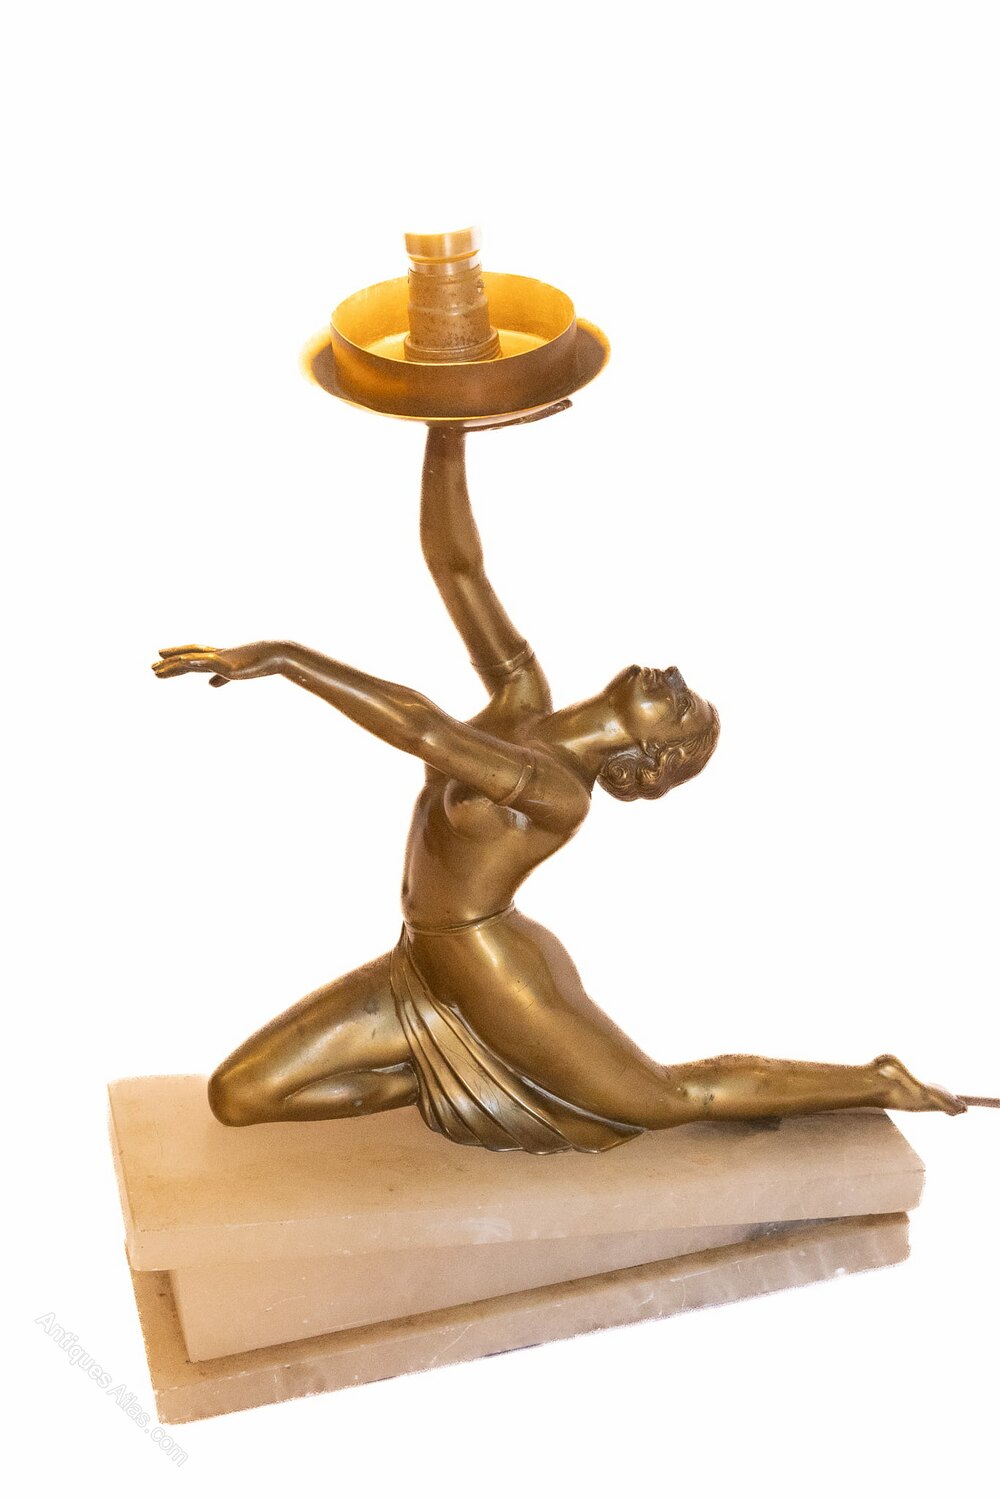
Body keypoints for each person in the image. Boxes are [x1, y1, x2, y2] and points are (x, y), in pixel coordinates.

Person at [154, 427, 966, 1152]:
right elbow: (456, 568)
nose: (677, 682)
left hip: (492, 970)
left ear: (644, 760)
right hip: (421, 962)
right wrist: (447, 427)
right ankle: (465, 1076)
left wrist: (286, 658)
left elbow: (424, 729)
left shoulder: (554, 792)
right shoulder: (522, 698)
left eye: (684, 711)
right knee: (239, 1096)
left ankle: (877, 1080)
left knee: (662, 1100)